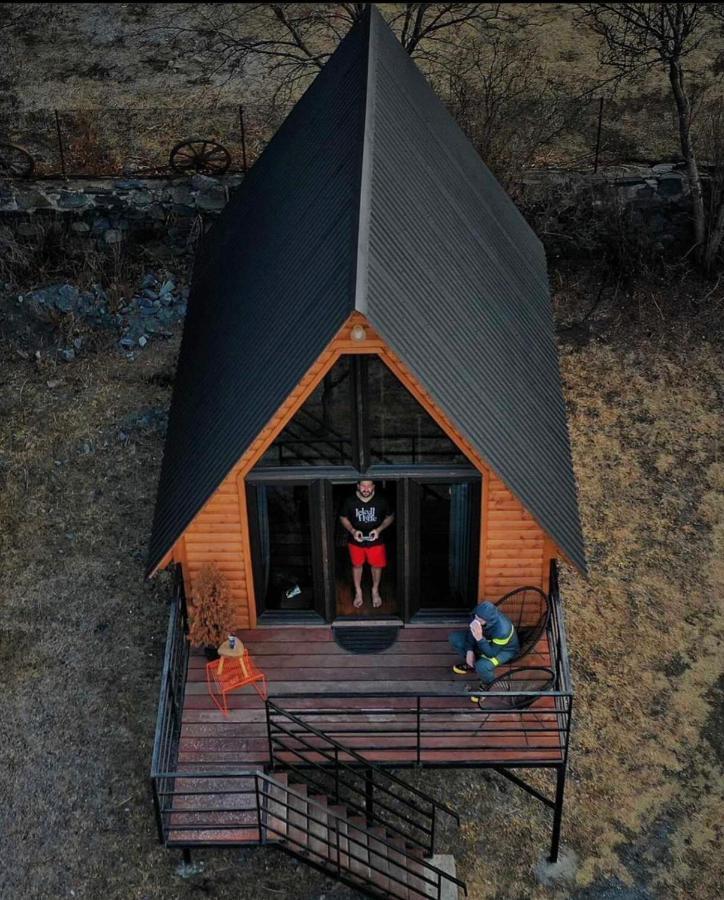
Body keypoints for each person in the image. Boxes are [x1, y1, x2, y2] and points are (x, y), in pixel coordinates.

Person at [449, 601, 520, 702]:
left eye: (480, 620)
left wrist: (479, 638)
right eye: (476, 617)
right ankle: (472, 664)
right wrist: (469, 650)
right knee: (455, 638)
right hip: (485, 641)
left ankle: (488, 683)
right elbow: (471, 631)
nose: (476, 621)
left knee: (482, 666)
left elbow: (491, 654)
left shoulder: (502, 631)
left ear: (489, 621)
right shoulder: (478, 617)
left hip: (504, 650)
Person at [339, 480, 394, 609]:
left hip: (376, 540)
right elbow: (343, 517)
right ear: (358, 486)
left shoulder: (381, 500)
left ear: (373, 487)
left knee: (376, 566)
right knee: (357, 566)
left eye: (369, 486)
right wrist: (352, 531)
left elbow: (390, 516)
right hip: (355, 540)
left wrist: (378, 530)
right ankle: (358, 592)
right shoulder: (349, 501)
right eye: (363, 486)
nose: (366, 489)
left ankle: (375, 590)